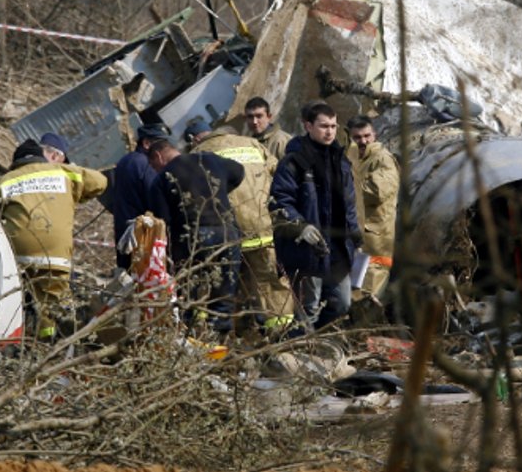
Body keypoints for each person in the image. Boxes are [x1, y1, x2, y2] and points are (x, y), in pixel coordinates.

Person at [0, 139, 107, 340]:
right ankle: (50, 343)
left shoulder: (7, 180)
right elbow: (101, 182)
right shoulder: (63, 173)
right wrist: (74, 193)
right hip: (55, 254)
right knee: (52, 305)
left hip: (15, 250)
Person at [185, 121, 295, 332]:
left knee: (221, 288)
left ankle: (218, 338)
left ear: (194, 139)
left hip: (225, 235)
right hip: (263, 228)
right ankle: (283, 338)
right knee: (272, 286)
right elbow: (280, 174)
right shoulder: (253, 144)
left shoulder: (197, 154)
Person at [270, 102, 362, 331]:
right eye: (323, 126)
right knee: (308, 309)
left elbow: (349, 203)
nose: (329, 131)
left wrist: (355, 236)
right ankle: (302, 353)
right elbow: (280, 201)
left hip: (338, 249)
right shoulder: (294, 162)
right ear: (308, 126)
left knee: (341, 303)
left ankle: (315, 342)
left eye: (333, 126)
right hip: (306, 250)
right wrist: (301, 227)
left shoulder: (341, 160)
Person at [147, 139, 244, 335]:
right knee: (224, 289)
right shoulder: (210, 160)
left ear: (158, 156)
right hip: (226, 231)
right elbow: (239, 171)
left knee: (188, 291)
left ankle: (190, 336)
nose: (154, 170)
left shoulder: (163, 177)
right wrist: (221, 190)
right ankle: (220, 336)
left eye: (153, 166)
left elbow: (164, 220)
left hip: (191, 237)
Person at [346, 115, 400, 298]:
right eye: (357, 137)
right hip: (358, 238)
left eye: (367, 136)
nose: (363, 141)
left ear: (374, 135)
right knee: (354, 294)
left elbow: (377, 191)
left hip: (376, 241)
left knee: (369, 294)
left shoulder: (382, 159)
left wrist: (344, 188)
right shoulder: (354, 159)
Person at [113, 124, 169, 269]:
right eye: (161, 145)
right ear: (146, 143)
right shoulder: (145, 164)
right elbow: (155, 198)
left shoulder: (125, 160)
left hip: (125, 230)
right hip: (143, 233)